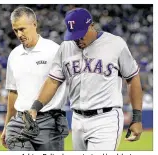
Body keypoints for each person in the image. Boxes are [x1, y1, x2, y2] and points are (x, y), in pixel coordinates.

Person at [29, 8, 143, 151]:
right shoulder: (66, 47)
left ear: (91, 25)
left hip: (106, 119)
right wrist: (35, 107)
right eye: (73, 36)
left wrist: (137, 118)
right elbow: (53, 81)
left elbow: (132, 78)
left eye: (81, 35)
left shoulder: (115, 44)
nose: (77, 40)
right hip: (77, 119)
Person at [0, 6, 69, 151]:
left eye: (22, 29)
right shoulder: (14, 55)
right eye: (15, 30)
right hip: (20, 122)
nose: (19, 34)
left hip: (48, 123)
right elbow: (13, 93)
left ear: (34, 25)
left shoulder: (54, 50)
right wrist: (7, 126)